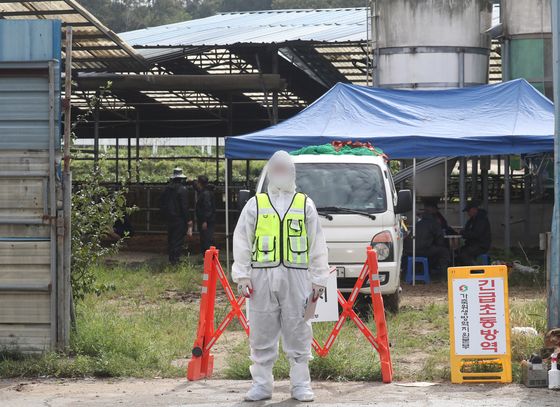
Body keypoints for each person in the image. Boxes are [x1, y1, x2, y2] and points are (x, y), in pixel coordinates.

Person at [232, 151, 329, 402]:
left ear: (292, 172)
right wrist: (242, 275)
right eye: (276, 169)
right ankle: (262, 385)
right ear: (269, 172)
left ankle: (300, 385)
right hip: (261, 278)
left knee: (299, 328)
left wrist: (319, 279)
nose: (280, 174)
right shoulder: (256, 204)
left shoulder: (305, 204)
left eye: (284, 169)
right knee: (261, 330)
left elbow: (317, 243)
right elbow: (242, 239)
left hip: (297, 278)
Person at [404, 210, 450, 279]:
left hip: (410, 251)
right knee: (444, 252)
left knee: (434, 251)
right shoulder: (434, 224)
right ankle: (443, 276)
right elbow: (440, 241)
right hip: (423, 250)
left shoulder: (418, 224)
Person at [160, 167, 193, 264]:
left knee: (171, 238)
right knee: (177, 239)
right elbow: (184, 206)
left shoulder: (167, 190)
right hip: (179, 218)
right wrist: (188, 219)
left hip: (169, 218)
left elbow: (161, 203)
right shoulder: (183, 190)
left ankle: (171, 258)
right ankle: (175, 259)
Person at [458, 200, 491, 266]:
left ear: (474, 209)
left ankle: (477, 270)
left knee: (464, 254)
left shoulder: (481, 219)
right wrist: (462, 232)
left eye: (468, 211)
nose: (468, 213)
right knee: (459, 251)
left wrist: (462, 233)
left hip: (481, 245)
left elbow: (476, 234)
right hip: (474, 244)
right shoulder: (472, 220)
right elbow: (467, 230)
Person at [195, 175, 216, 254]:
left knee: (206, 238)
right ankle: (208, 256)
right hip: (208, 219)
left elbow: (207, 207)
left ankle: (208, 256)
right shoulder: (206, 191)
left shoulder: (205, 193)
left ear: (200, 183)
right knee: (206, 237)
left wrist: (205, 220)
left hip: (206, 220)